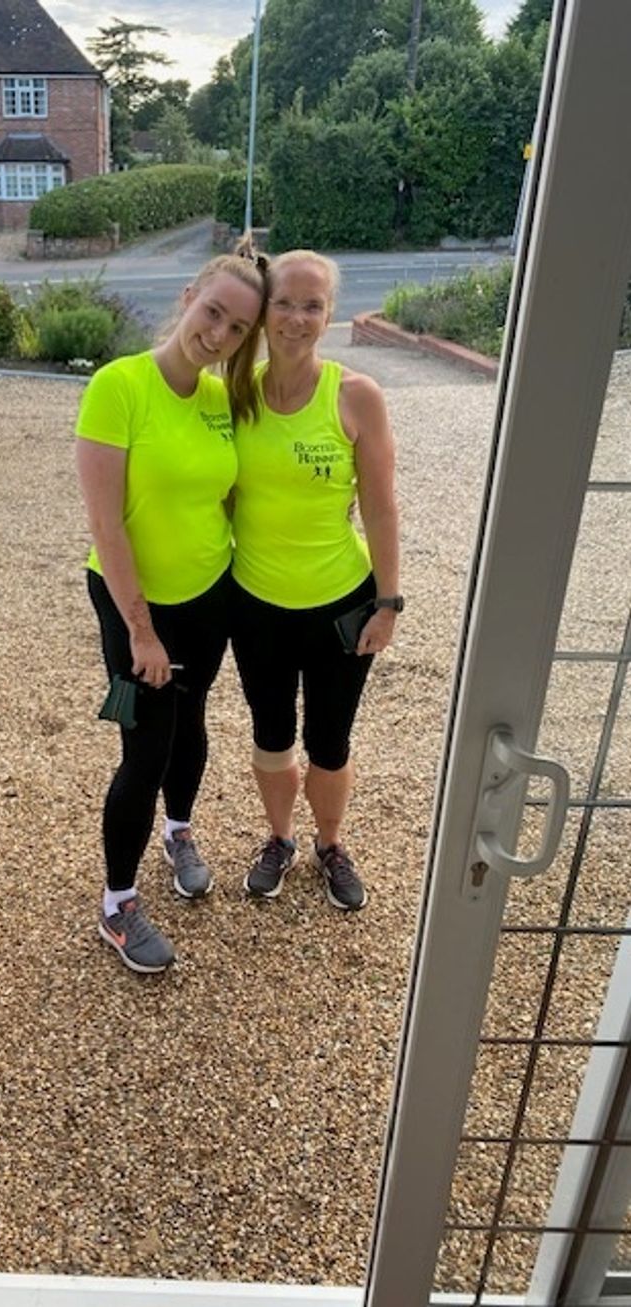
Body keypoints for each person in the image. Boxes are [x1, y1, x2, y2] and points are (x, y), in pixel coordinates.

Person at [76, 247, 268, 973]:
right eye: (212, 311)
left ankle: (179, 831)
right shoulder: (117, 386)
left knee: (192, 721)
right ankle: (118, 904)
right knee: (143, 748)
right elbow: (107, 524)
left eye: (237, 327)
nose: (217, 334)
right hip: (135, 605)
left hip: (206, 597)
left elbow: (228, 496)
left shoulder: (222, 402)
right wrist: (141, 631)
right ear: (189, 296)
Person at [230, 248, 401, 910]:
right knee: (271, 732)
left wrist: (389, 602)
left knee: (329, 737)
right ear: (263, 310)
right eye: (284, 303)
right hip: (256, 605)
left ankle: (331, 843)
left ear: (328, 315)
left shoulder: (356, 396)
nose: (297, 318)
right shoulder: (234, 392)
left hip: (342, 604)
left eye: (312, 305)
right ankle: (280, 838)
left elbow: (383, 506)